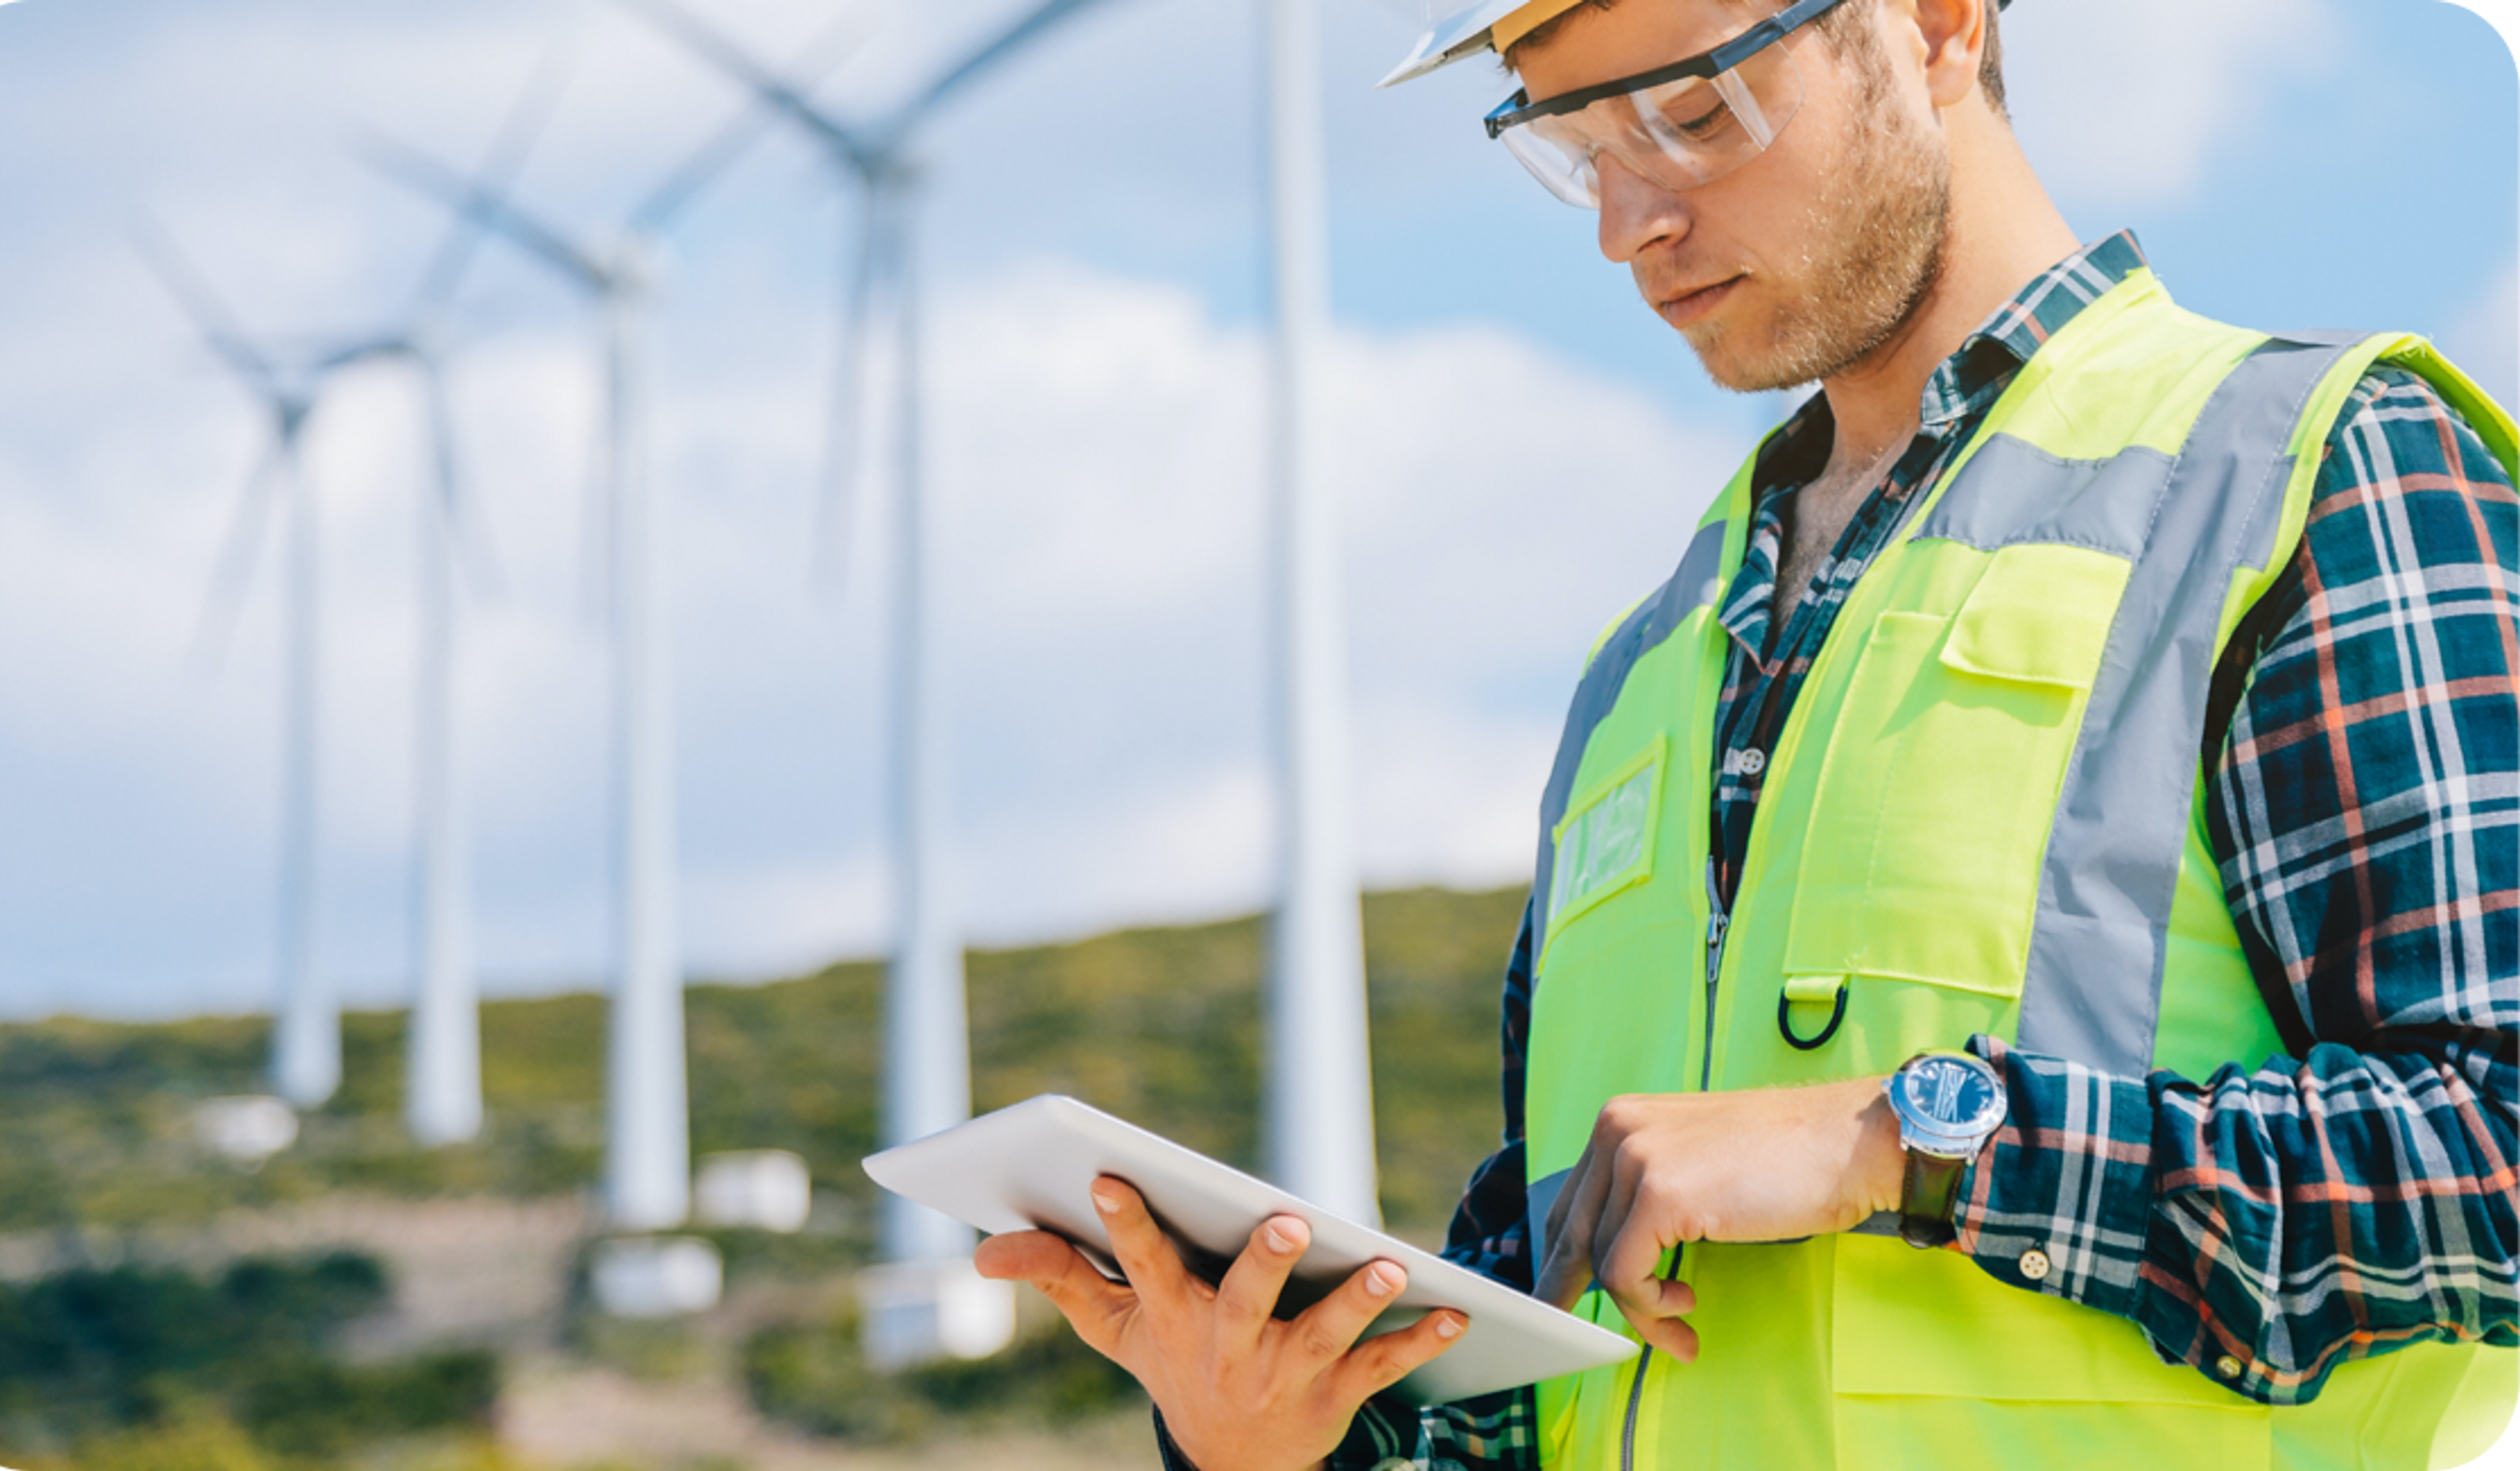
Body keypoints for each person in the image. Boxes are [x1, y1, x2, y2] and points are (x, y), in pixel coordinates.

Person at [977, 1, 2520, 1466]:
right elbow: (1573, 1353)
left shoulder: (2308, 472)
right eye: (1577, 147)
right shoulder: (1642, 669)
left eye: (1694, 112)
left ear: (1934, 26)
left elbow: (2497, 1158)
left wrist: (1913, 1143)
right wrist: (1288, 1424)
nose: (1625, 222)